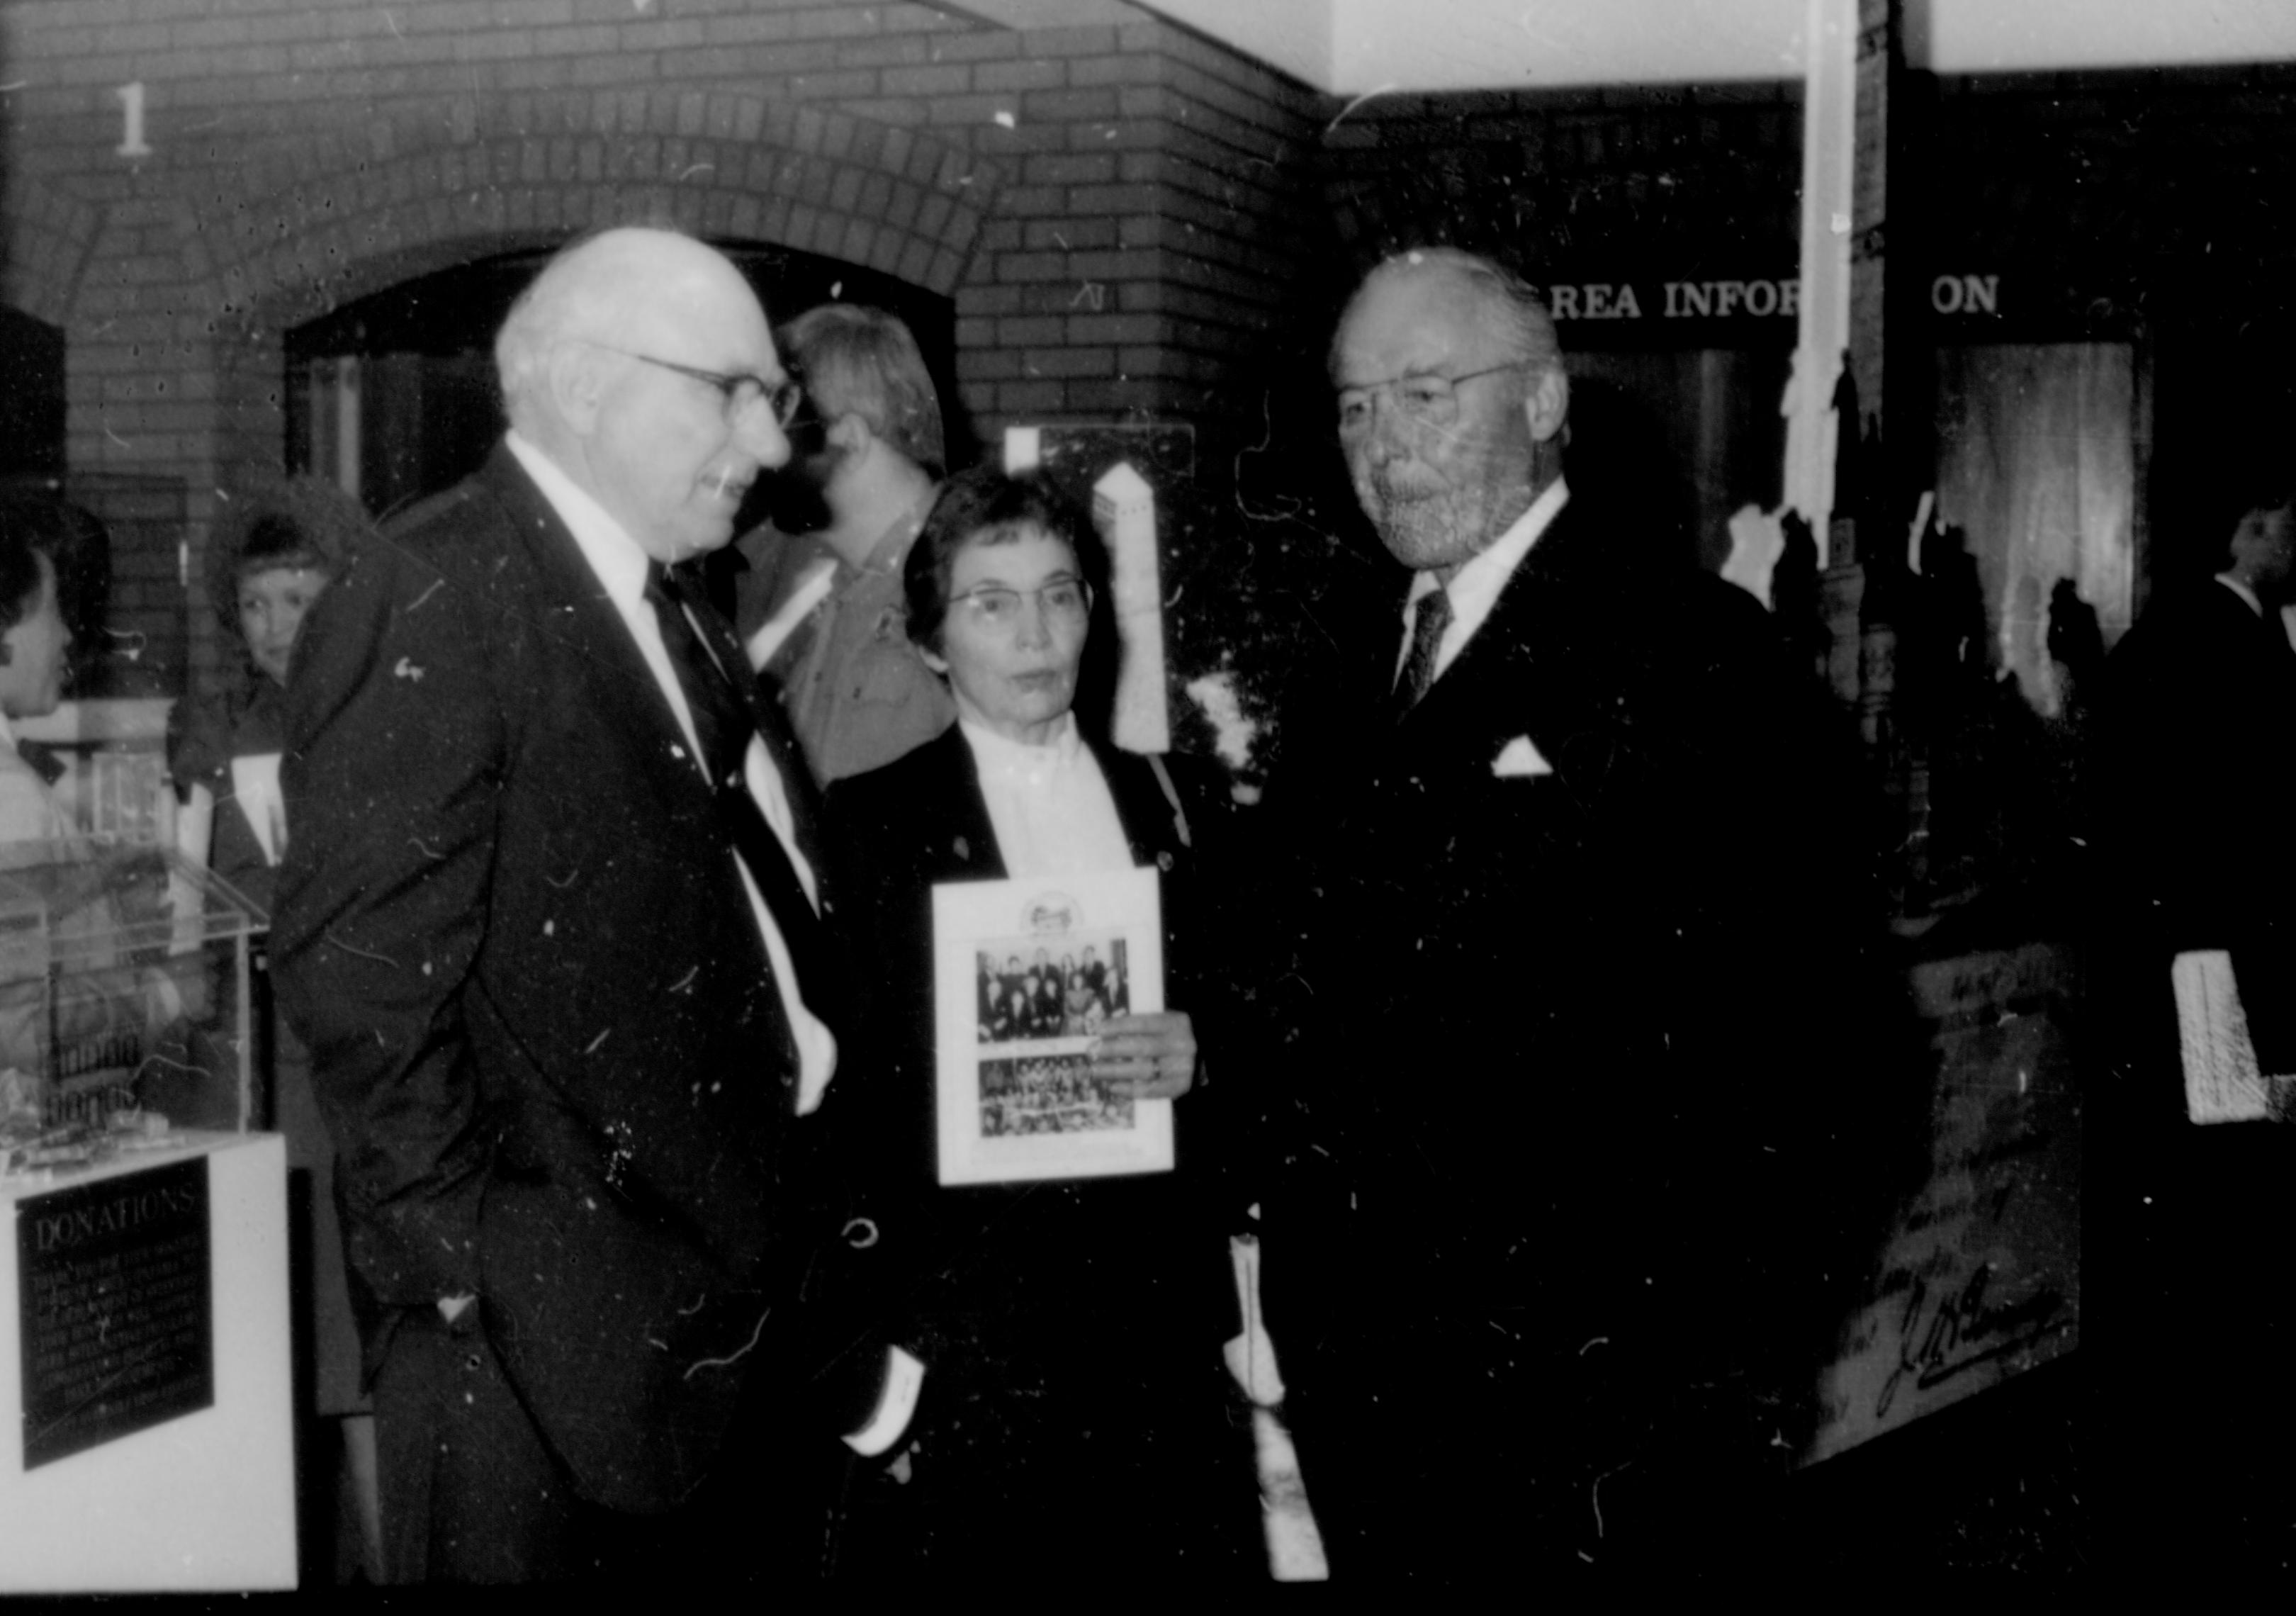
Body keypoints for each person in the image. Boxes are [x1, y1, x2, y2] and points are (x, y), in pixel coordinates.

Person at [272, 226, 882, 1583]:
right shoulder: (434, 590)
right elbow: (358, 989)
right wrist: (504, 1292)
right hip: (558, 1389)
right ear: (592, 384)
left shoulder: (674, 607)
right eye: (729, 390)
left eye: (770, 400)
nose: (770, 445)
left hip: (720, 1355)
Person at [1261, 247, 1841, 1579]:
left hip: (1587, 1405)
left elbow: (1807, 1048)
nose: (1379, 446)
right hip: (1359, 1365)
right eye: (1354, 405)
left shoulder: (1690, 655)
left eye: (1424, 394)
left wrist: (1709, 1375)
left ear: (1540, 403)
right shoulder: (1350, 654)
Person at [817, 466, 1260, 1582]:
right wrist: (888, 1352)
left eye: (1060, 594)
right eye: (991, 603)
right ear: (929, 641)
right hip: (975, 1351)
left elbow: (1257, 1027)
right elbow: (846, 1113)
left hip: (1155, 1331)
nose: (1035, 633)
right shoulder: (868, 830)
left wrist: (1203, 1054)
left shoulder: (1173, 800)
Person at [166, 473, 378, 1578]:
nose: (275, 628)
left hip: (357, 1073)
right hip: (259, 1070)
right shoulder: (214, 729)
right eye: (255, 605)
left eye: (297, 600)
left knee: (356, 1352)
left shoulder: (380, 710)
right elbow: (185, 906)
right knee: (267, 1353)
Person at [2090, 478, 2296, 1569]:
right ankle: (2214, 1453)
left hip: (2195, 955)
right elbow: (2255, 832)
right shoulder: (2222, 639)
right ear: (2245, 530)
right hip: (2220, 965)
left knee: (2209, 1187)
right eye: (2290, 521)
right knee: (2226, 1181)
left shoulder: (2184, 631)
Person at [730, 302, 957, 786]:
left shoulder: (962, 585)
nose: (759, 455)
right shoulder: (841, 586)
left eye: (779, 426)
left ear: (849, 441)